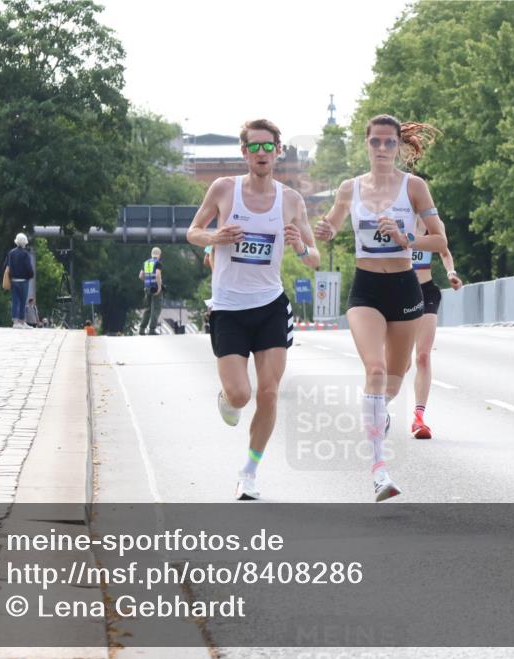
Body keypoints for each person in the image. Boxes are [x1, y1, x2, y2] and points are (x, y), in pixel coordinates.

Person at [314, 114, 447, 501]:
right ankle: (379, 470)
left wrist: (407, 239)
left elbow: (440, 240)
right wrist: (324, 231)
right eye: (376, 141)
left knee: (394, 376)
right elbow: (331, 225)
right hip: (366, 289)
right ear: (366, 144)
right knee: (374, 369)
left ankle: (378, 410)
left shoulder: (414, 187)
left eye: (390, 142)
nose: (383, 149)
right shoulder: (350, 188)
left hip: (405, 288)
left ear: (399, 146)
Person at [187, 118, 320, 500]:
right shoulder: (223, 189)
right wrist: (215, 236)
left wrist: (300, 247)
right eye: (255, 147)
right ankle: (228, 398)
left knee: (269, 392)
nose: (262, 153)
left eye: (268, 147)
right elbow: (193, 231)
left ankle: (249, 472)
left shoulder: (291, 201)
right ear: (244, 152)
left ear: (278, 151)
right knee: (241, 396)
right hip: (228, 309)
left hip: (270, 307)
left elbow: (314, 258)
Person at [407, 217, 463, 439]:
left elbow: (444, 252)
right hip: (400, 293)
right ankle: (380, 405)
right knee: (401, 363)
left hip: (426, 291)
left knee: (423, 356)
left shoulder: (433, 223)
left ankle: (419, 417)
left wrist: (451, 273)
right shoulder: (398, 218)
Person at [4, 232, 35, 329]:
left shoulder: (11, 253)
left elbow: (7, 265)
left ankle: (15, 321)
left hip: (14, 280)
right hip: (23, 280)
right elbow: (29, 268)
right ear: (25, 242)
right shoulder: (26, 254)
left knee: (15, 301)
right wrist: (30, 275)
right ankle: (22, 321)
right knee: (23, 301)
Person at [138, 247, 163, 335]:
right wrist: (159, 287)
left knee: (147, 309)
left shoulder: (146, 263)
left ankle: (142, 329)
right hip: (155, 288)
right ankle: (152, 329)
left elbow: (140, 276)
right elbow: (158, 274)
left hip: (147, 288)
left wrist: (147, 281)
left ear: (151, 254)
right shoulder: (158, 263)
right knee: (156, 308)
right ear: (159, 255)